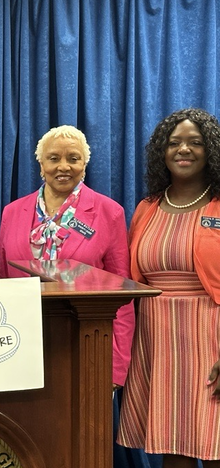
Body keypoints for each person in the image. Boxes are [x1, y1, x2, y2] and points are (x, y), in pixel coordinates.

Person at [0, 124, 135, 390]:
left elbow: (123, 294)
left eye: (73, 158)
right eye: (54, 158)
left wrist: (116, 367)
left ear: (85, 165)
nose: (63, 166)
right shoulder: (11, 212)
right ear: (40, 165)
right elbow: (3, 281)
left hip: (87, 344)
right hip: (22, 345)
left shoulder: (109, 213)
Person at [118, 108, 220, 468]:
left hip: (210, 339)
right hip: (156, 341)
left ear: (211, 151)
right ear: (162, 151)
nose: (184, 150)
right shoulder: (146, 208)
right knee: (172, 446)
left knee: (214, 446)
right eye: (174, 143)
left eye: (196, 142)